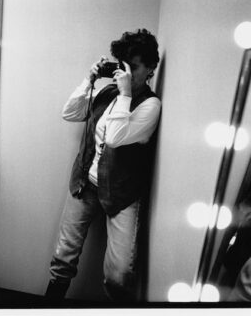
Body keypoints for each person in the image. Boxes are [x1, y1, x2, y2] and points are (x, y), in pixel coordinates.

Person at [45, 29, 162, 301]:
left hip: (122, 193)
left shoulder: (151, 105)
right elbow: (70, 113)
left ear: (150, 69)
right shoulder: (107, 92)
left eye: (134, 67)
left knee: (119, 274)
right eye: (123, 65)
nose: (126, 73)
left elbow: (115, 137)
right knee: (63, 256)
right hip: (85, 183)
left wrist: (125, 94)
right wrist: (89, 80)